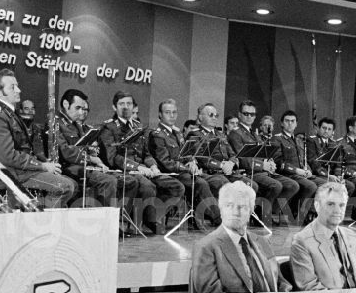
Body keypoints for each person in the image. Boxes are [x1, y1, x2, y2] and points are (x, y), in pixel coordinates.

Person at [189, 181, 289, 293]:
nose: (235, 211)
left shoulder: (262, 242)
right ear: (220, 209)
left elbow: (279, 281)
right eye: (229, 205)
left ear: (251, 211)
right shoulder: (206, 246)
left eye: (242, 207)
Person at [0, 68, 77, 209]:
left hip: (20, 170)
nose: (18, 90)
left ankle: (40, 215)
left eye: (17, 86)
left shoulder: (9, 113)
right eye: (12, 87)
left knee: (72, 184)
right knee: (65, 186)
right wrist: (42, 166)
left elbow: (23, 149)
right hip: (11, 174)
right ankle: (41, 221)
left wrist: (42, 163)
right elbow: (8, 156)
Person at [98, 90, 183, 234]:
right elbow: (113, 158)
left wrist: (153, 166)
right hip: (125, 169)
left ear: (133, 106)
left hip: (145, 169)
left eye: (129, 103)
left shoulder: (138, 126)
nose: (126, 107)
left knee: (176, 186)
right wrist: (138, 167)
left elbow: (146, 153)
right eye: (121, 104)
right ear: (114, 107)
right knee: (147, 186)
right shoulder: (109, 128)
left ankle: (153, 216)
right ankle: (126, 221)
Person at [52, 88, 136, 211]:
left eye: (83, 109)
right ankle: (106, 223)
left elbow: (89, 148)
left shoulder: (76, 124)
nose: (81, 112)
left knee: (127, 180)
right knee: (109, 181)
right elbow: (66, 152)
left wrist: (98, 160)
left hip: (85, 165)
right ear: (65, 104)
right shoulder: (56, 123)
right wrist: (91, 158)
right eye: (78, 108)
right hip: (68, 167)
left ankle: (117, 219)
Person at [290, 181, 356, 290]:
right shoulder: (302, 241)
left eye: (342, 205)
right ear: (317, 206)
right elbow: (310, 288)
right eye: (330, 204)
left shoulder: (351, 236)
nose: (337, 210)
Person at [148, 98, 217, 229]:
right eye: (168, 112)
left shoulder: (178, 133)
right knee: (200, 183)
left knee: (204, 181)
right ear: (160, 115)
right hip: (169, 173)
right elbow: (165, 163)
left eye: (174, 112)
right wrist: (186, 168)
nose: (172, 115)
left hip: (181, 171)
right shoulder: (157, 135)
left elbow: (186, 153)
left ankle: (203, 216)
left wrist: (191, 162)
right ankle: (217, 218)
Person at [227, 99, 290, 225]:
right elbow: (243, 159)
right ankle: (260, 215)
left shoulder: (254, 134)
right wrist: (263, 165)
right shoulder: (236, 133)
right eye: (246, 114)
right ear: (239, 115)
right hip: (249, 171)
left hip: (261, 170)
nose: (249, 117)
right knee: (275, 185)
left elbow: (261, 154)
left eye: (252, 114)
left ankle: (267, 211)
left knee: (291, 185)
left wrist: (269, 162)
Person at [272, 109, 319, 222]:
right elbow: (279, 163)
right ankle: (299, 214)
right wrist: (297, 171)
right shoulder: (277, 139)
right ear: (282, 123)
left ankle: (312, 213)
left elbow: (303, 159)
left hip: (301, 173)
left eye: (293, 121)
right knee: (311, 186)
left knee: (324, 184)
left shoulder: (298, 140)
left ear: (296, 124)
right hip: (287, 174)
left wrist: (308, 169)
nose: (290, 123)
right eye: (287, 121)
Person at [306, 117, 355, 198]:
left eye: (329, 129)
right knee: (329, 184)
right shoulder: (312, 141)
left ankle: (338, 209)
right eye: (324, 128)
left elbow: (338, 164)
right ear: (318, 128)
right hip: (317, 174)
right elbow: (313, 162)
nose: (326, 131)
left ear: (333, 131)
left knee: (350, 186)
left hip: (332, 176)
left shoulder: (334, 143)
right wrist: (328, 175)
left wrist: (339, 176)